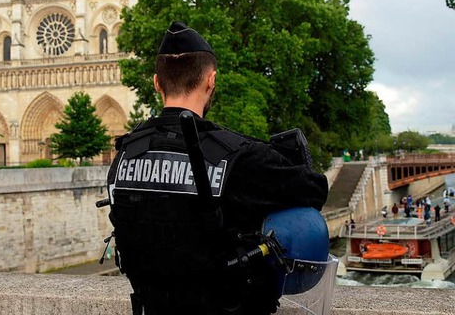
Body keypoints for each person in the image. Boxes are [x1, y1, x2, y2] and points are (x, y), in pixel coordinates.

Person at [106, 21, 329, 315]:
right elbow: (315, 190)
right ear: (210, 80)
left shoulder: (124, 155)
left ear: (157, 83)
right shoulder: (242, 158)